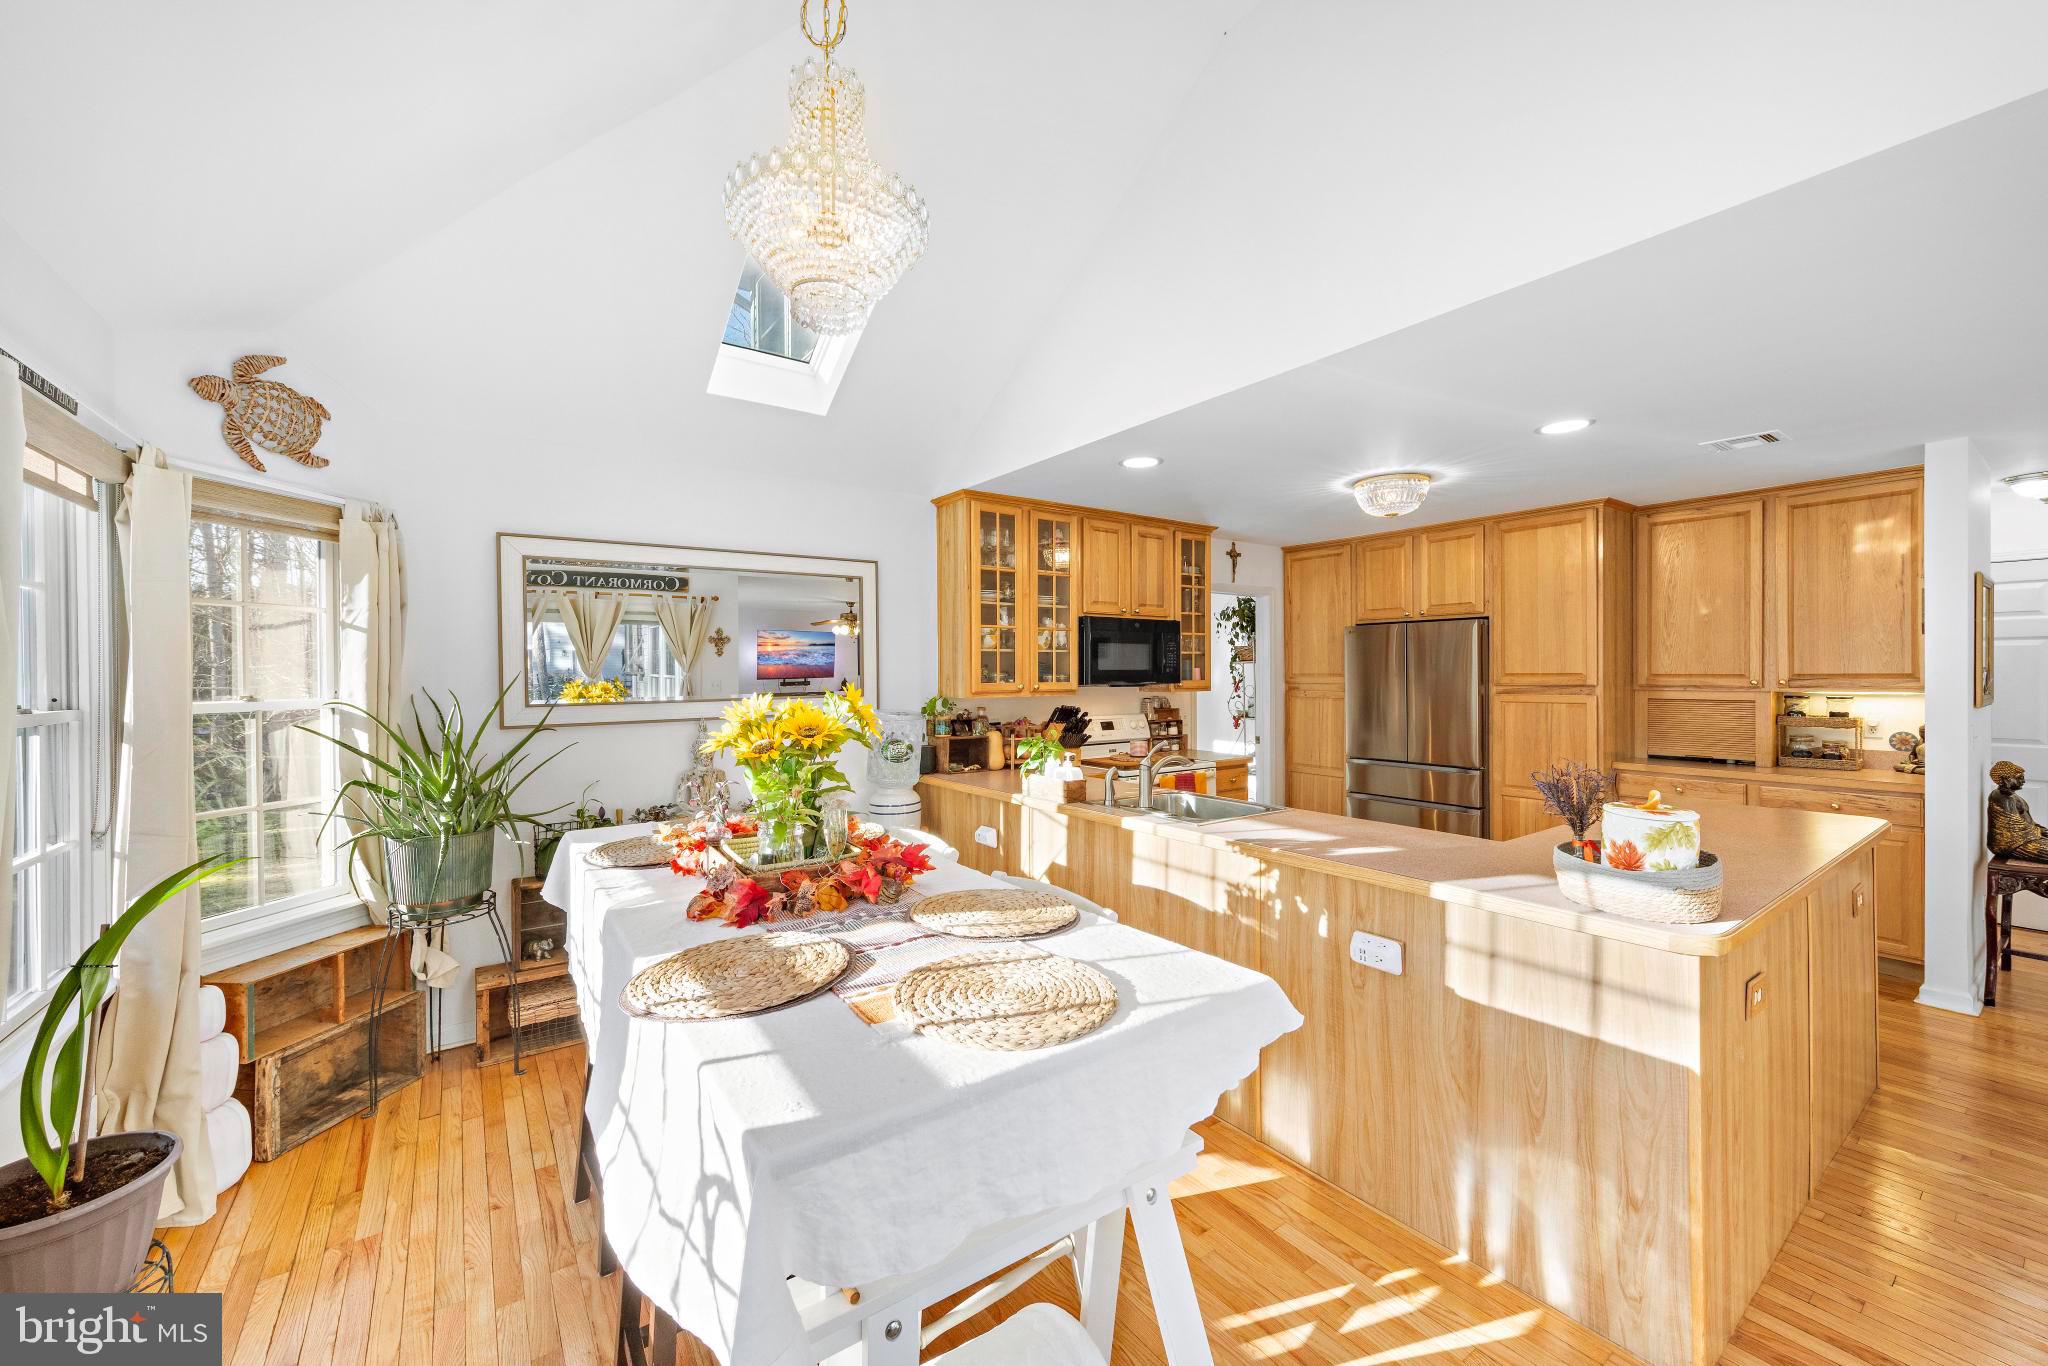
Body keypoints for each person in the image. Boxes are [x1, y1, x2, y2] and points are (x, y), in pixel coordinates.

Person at [1988, 760, 2048, 861]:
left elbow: (2027, 821)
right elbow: (2014, 825)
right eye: (2019, 778)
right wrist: (2039, 831)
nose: (2023, 781)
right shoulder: (2001, 797)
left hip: (2026, 836)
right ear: (2006, 779)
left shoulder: (2014, 796)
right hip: (2012, 842)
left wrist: (2043, 830)